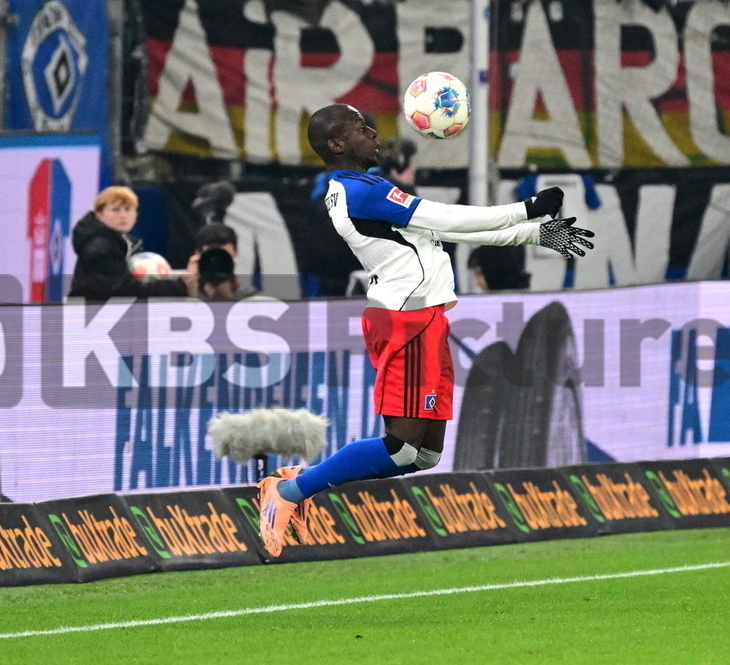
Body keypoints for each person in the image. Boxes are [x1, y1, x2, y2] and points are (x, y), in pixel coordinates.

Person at [254, 103, 595, 557]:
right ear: (337, 144)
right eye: (361, 128)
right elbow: (444, 219)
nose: (373, 133)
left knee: (424, 457)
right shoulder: (357, 192)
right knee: (400, 450)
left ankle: (297, 485)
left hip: (425, 317)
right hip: (405, 320)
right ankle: (288, 494)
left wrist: (532, 234)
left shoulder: (366, 186)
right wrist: (524, 210)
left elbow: (435, 233)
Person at [68, 186, 197, 300]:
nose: (123, 215)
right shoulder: (101, 247)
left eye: (128, 209)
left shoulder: (123, 243)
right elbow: (125, 290)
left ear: (136, 215)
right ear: (99, 215)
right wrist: (180, 286)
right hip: (92, 318)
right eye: (116, 209)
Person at [191, 222, 258, 301]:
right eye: (211, 255)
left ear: (236, 252)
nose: (217, 261)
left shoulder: (249, 298)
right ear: (197, 255)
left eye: (223, 255)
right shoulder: (187, 294)